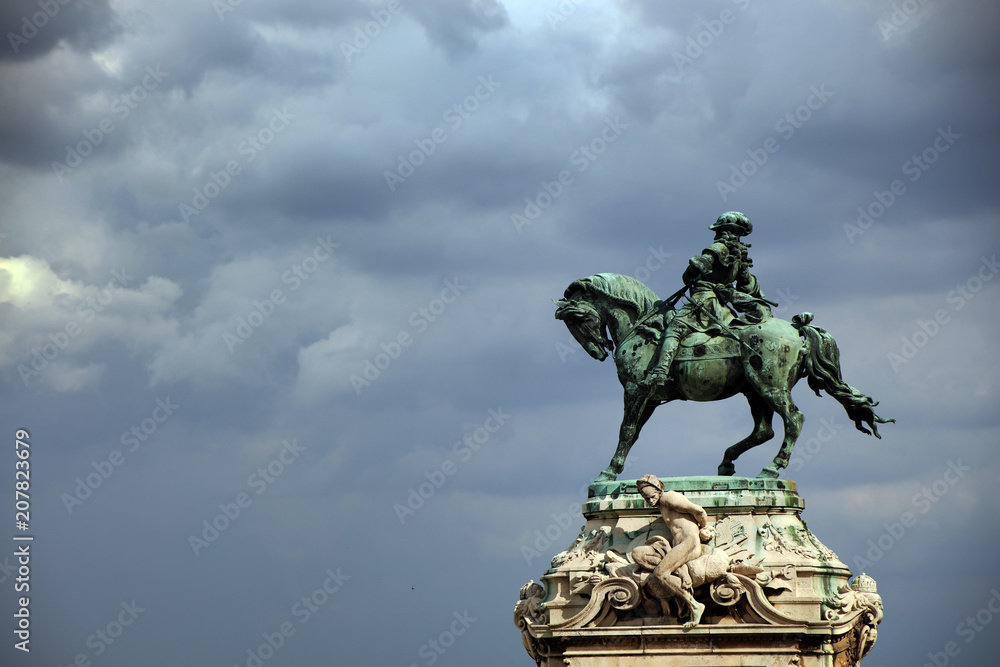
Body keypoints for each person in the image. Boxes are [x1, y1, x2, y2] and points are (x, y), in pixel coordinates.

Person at [639, 211, 769, 391]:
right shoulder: (740, 257)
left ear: (722, 231)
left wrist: (694, 269)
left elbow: (692, 273)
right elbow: (747, 286)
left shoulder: (717, 249)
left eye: (718, 230)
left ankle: (660, 373)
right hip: (723, 307)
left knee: (674, 329)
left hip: (703, 301)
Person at [634, 474, 714, 629]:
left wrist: (704, 528)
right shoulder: (662, 505)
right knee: (644, 558)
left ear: (658, 490)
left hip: (688, 543)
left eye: (651, 496)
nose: (650, 500)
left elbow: (699, 511)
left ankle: (694, 605)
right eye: (646, 498)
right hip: (679, 545)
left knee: (659, 574)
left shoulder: (669, 498)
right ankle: (683, 589)